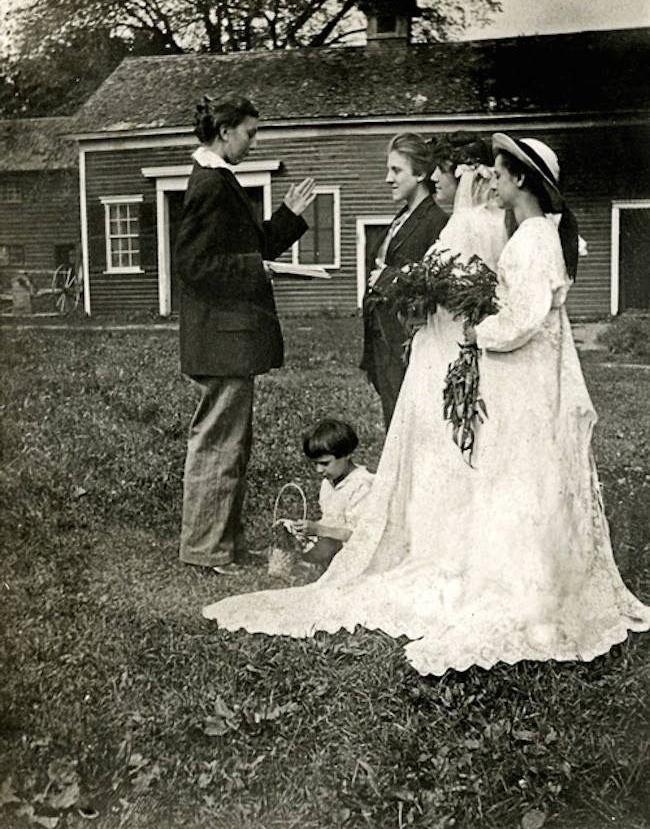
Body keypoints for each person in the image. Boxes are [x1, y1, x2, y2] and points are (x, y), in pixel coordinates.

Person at [203, 133, 650, 676]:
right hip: (524, 374)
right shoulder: (532, 234)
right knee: (522, 478)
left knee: (527, 475)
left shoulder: (534, 238)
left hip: (529, 376)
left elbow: (520, 320)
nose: (494, 181)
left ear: (524, 180)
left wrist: (471, 328)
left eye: (503, 173)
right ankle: (528, 576)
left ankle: (530, 587)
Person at [176, 92, 316, 576]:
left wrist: (289, 217)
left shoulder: (221, 181)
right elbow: (193, 266)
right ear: (225, 132)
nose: (255, 142)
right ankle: (206, 550)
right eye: (251, 133)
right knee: (218, 444)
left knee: (230, 445)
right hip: (220, 339)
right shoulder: (211, 184)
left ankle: (224, 545)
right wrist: (256, 270)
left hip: (227, 338)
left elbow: (250, 247)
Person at [360, 132, 448, 429]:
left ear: (421, 173)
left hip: (407, 341)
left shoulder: (436, 222)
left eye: (396, 170)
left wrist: (388, 280)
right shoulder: (401, 218)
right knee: (394, 420)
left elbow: (434, 285)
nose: (388, 178)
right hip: (383, 339)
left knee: (411, 424)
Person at [287, 419, 374, 571]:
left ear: (347, 455)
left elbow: (362, 536)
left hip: (356, 547)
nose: (319, 470)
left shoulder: (361, 485)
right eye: (316, 464)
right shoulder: (329, 480)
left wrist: (319, 530)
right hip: (333, 540)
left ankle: (314, 565)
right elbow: (331, 518)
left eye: (325, 463)